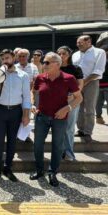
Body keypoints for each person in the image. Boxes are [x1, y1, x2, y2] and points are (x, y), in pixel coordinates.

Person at [30, 52, 82, 187]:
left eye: (47, 62)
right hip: (42, 117)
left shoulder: (69, 78)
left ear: (57, 64)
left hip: (60, 118)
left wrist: (67, 109)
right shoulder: (40, 77)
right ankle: (39, 169)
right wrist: (32, 104)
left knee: (57, 146)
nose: (44, 64)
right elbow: (33, 92)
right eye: (44, 62)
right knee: (38, 144)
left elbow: (79, 97)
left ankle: (52, 172)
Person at [0, 49, 31, 182]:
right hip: (0, 110)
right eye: (3, 59)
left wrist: (26, 115)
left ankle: (8, 168)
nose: (5, 61)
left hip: (15, 111)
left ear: (13, 58)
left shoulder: (23, 75)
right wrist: (0, 79)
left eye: (7, 58)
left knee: (12, 142)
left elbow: (26, 97)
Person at [72, 35, 107, 143]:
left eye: (80, 42)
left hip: (91, 82)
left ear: (89, 42)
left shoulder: (99, 52)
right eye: (77, 42)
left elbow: (99, 70)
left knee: (90, 108)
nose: (78, 45)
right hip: (76, 84)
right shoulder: (75, 54)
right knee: (78, 107)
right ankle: (81, 129)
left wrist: (84, 82)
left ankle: (88, 132)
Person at [57, 46, 84, 161]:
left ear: (69, 55)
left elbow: (80, 85)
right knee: (58, 127)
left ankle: (69, 153)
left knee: (69, 128)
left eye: (64, 53)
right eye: (59, 53)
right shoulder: (54, 68)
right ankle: (60, 151)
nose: (61, 56)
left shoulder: (76, 68)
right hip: (57, 101)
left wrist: (73, 95)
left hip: (72, 100)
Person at [96, 47, 108, 124]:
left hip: (104, 86)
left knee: (98, 104)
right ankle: (99, 118)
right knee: (98, 104)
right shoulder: (98, 62)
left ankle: (99, 118)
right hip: (98, 86)